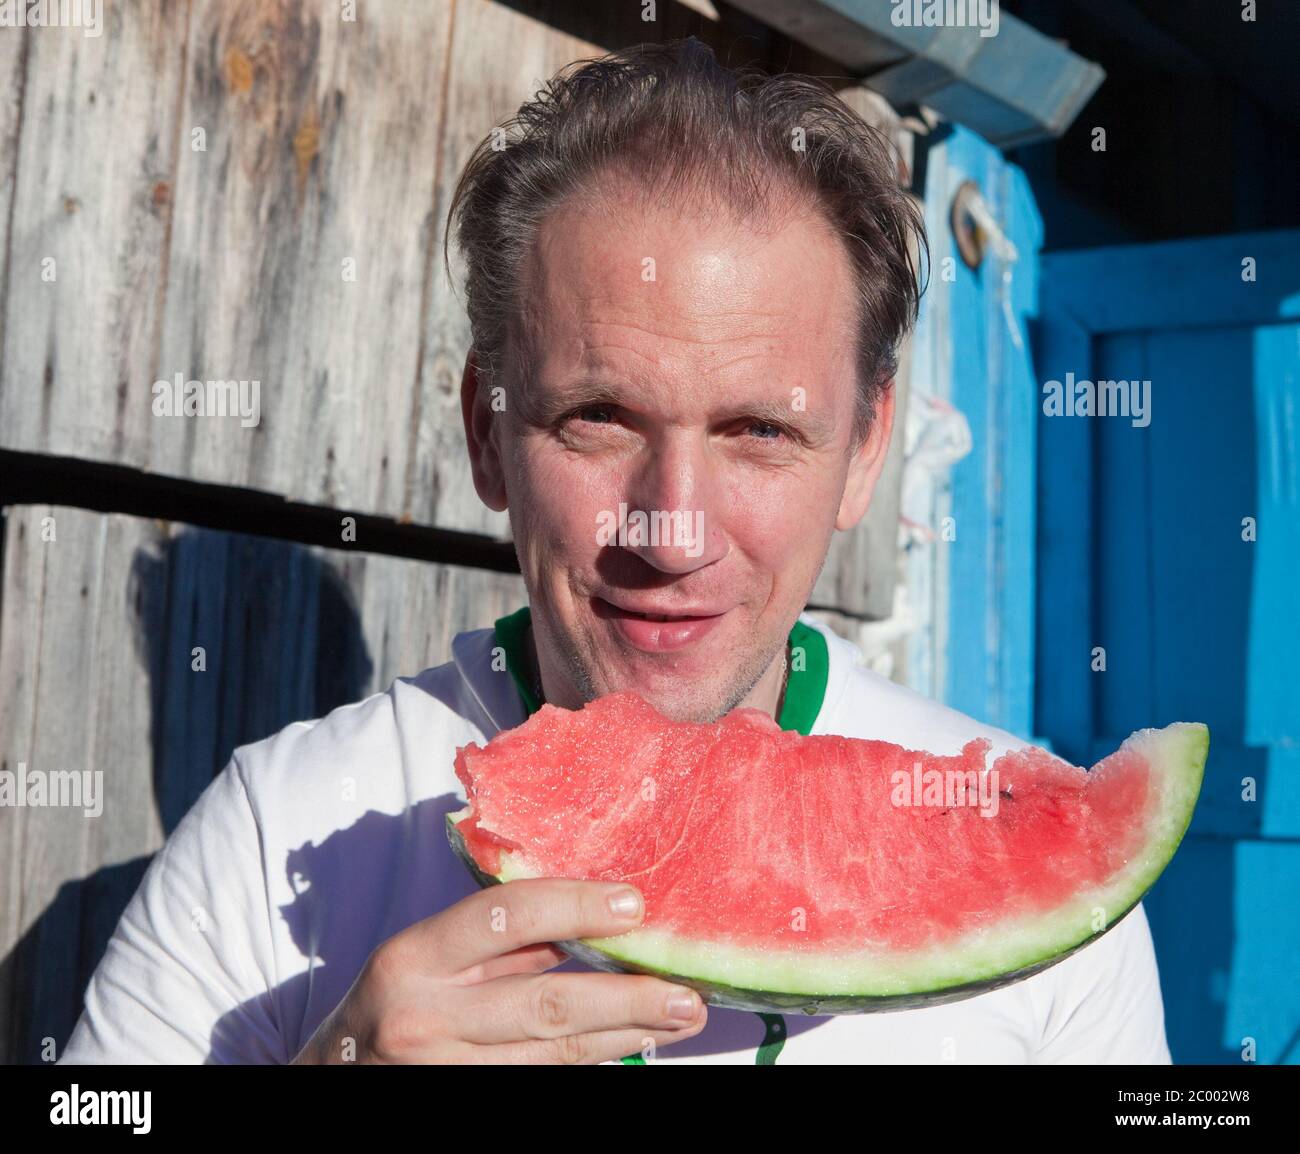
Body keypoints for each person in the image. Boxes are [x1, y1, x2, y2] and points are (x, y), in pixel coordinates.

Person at [60, 38, 1171, 1065]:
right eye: (597, 416)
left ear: (866, 450)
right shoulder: (267, 833)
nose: (672, 530)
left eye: (758, 431)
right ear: (486, 433)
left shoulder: (1066, 911)